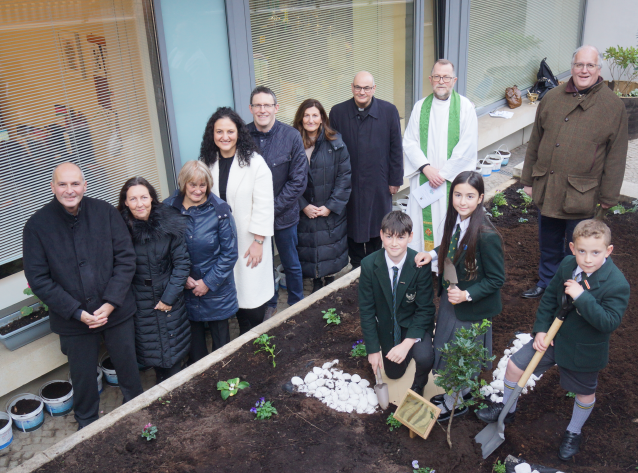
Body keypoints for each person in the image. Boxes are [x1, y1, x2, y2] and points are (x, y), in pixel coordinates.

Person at [476, 220, 630, 461]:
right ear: (572, 248)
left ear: (608, 251)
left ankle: (573, 431)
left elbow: (609, 322)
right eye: (582, 251)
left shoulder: (616, 283)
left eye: (595, 252)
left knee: (585, 394)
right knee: (515, 366)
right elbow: (549, 298)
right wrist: (540, 330)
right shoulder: (568, 264)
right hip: (552, 338)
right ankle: (507, 410)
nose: (587, 259)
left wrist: (582, 297)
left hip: (583, 349)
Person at [23, 162, 143, 429]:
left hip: (116, 311)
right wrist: (77, 312)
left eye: (75, 183)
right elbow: (39, 279)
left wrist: (111, 302)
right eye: (62, 184)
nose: (69, 190)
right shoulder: (36, 226)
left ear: (85, 185)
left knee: (128, 366)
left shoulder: (106, 212)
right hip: (72, 320)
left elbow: (126, 259)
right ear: (52, 187)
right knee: (83, 376)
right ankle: (86, 425)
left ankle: (138, 412)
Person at [520, 45, 628, 299]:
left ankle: (573, 289)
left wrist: (609, 195)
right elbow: (535, 140)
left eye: (590, 65)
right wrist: (528, 179)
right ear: (572, 67)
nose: (584, 70)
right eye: (579, 64)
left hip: (584, 193)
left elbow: (616, 155)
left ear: (598, 69)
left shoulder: (613, 106)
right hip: (548, 185)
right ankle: (547, 282)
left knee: (580, 246)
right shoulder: (552, 97)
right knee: (548, 241)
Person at [414, 171, 504, 421]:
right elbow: (451, 247)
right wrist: (431, 255)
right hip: (451, 300)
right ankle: (460, 393)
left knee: (459, 353)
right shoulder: (456, 221)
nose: (462, 201)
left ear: (480, 198)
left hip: (470, 307)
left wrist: (467, 294)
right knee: (448, 345)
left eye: (469, 196)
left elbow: (497, 280)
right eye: (457, 195)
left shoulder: (486, 234)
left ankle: (456, 403)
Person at [200, 107, 275, 334]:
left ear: (239, 133)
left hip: (248, 239)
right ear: (212, 134)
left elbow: (264, 204)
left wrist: (259, 241)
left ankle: (258, 335)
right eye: (219, 131)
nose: (225, 137)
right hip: (217, 239)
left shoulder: (255, 163)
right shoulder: (206, 162)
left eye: (230, 131)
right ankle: (245, 335)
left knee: (251, 298)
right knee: (233, 296)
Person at [118, 177, 191, 384]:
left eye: (143, 197)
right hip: (139, 301)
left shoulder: (170, 224)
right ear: (125, 202)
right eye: (133, 199)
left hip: (170, 295)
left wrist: (168, 298)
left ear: (152, 198)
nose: (139, 203)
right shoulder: (119, 230)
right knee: (152, 352)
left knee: (174, 350)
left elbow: (182, 264)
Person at [164, 161, 238, 362]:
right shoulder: (168, 208)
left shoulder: (220, 210)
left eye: (202, 185)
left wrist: (208, 283)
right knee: (194, 348)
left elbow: (229, 253)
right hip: (184, 290)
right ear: (183, 184)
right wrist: (182, 277)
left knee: (222, 349)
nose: (198, 190)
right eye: (192, 185)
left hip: (217, 292)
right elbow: (163, 250)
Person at [329, 71, 404, 269]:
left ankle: (376, 262)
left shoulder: (389, 111)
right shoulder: (338, 112)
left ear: (374, 89)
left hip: (379, 179)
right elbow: (332, 151)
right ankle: (355, 265)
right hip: (348, 180)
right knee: (351, 221)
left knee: (378, 221)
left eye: (366, 88)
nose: (362, 92)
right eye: (358, 87)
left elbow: (396, 147)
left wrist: (395, 178)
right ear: (352, 88)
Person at [403, 59, 478, 254]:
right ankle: (423, 265)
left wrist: (443, 174)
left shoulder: (465, 107)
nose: (441, 81)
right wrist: (426, 168)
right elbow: (409, 141)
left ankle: (447, 267)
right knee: (421, 227)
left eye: (446, 77)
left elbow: (467, 145)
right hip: (425, 179)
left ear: (454, 80)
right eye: (437, 76)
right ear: (430, 79)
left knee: (450, 223)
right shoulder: (420, 107)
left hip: (450, 182)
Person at [358, 211, 435, 397]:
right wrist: (373, 349)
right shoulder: (369, 264)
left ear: (410, 237)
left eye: (401, 237)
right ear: (381, 234)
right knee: (392, 373)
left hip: (412, 324)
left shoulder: (420, 264)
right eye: (389, 236)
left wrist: (406, 345)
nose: (394, 243)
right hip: (386, 325)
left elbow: (426, 310)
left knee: (425, 358)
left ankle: (419, 384)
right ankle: (400, 353)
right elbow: (366, 311)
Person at [247, 86, 307, 318]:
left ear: (276, 108)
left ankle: (297, 304)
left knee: (290, 262)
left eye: (267, 105)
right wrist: (258, 214)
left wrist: (270, 210)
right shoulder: (242, 136)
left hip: (284, 215)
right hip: (253, 217)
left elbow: (298, 181)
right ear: (251, 108)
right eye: (258, 105)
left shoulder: (291, 136)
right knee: (261, 264)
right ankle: (268, 302)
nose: (263, 110)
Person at [293, 99, 352, 293]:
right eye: (307, 115)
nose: (310, 119)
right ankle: (315, 280)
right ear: (301, 118)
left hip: (329, 208)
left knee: (330, 246)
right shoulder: (293, 142)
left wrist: (330, 206)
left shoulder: (335, 141)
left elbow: (344, 176)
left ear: (322, 119)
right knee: (309, 247)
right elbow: (286, 178)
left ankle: (330, 279)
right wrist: (303, 205)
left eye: (315, 115)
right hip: (305, 209)